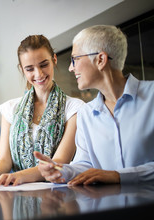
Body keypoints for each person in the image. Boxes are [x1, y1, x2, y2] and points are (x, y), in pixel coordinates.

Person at [38, 25, 154, 185]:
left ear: (100, 60)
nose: (71, 68)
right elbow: (85, 164)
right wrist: (60, 170)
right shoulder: (86, 113)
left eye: (75, 59)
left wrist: (117, 176)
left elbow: (111, 175)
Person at [0, 35, 84, 186]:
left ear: (54, 60)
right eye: (29, 69)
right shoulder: (10, 109)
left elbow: (58, 163)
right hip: (17, 192)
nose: (38, 74)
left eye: (44, 64)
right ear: (22, 70)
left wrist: (18, 176)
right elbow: (4, 160)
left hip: (57, 194)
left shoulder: (74, 108)